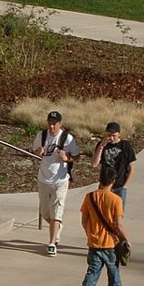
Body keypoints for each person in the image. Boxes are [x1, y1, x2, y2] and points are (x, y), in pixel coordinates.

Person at [76, 182, 129, 286]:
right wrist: (124, 239)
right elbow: (118, 224)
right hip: (110, 245)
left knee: (92, 273)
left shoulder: (90, 197)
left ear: (100, 181)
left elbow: (84, 220)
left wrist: (90, 233)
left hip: (94, 243)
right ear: (112, 182)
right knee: (114, 274)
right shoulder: (116, 199)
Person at [32, 110, 81, 256]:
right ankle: (57, 227)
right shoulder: (42, 135)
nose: (52, 127)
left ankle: (52, 243)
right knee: (45, 212)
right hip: (43, 179)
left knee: (56, 212)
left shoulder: (67, 138)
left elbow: (77, 157)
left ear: (60, 124)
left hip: (60, 179)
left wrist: (66, 157)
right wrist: (38, 152)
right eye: (50, 123)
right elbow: (34, 151)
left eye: (55, 124)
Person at [93, 120, 136, 205]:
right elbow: (94, 164)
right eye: (109, 135)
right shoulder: (102, 145)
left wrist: (125, 186)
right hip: (104, 186)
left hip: (119, 186)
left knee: (118, 214)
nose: (111, 138)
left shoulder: (125, 146)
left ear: (119, 134)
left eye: (114, 136)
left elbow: (132, 167)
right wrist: (101, 146)